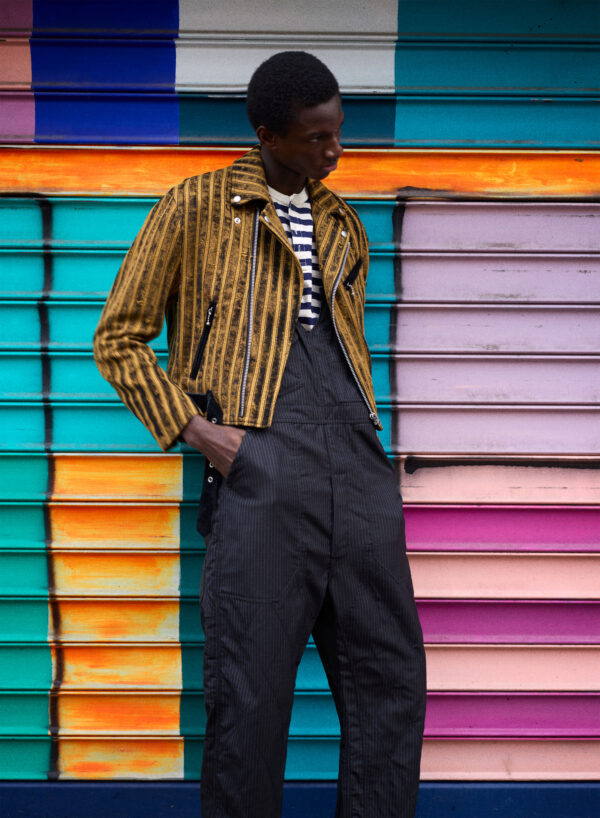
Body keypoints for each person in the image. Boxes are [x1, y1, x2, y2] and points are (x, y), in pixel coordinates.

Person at [94, 51, 426, 818]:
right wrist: (199, 432)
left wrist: (367, 457)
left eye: (337, 132)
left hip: (357, 465)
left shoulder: (343, 223)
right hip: (258, 468)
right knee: (251, 696)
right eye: (316, 138)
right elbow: (119, 338)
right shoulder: (196, 206)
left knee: (390, 682)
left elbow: (341, 349)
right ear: (268, 135)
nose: (334, 151)